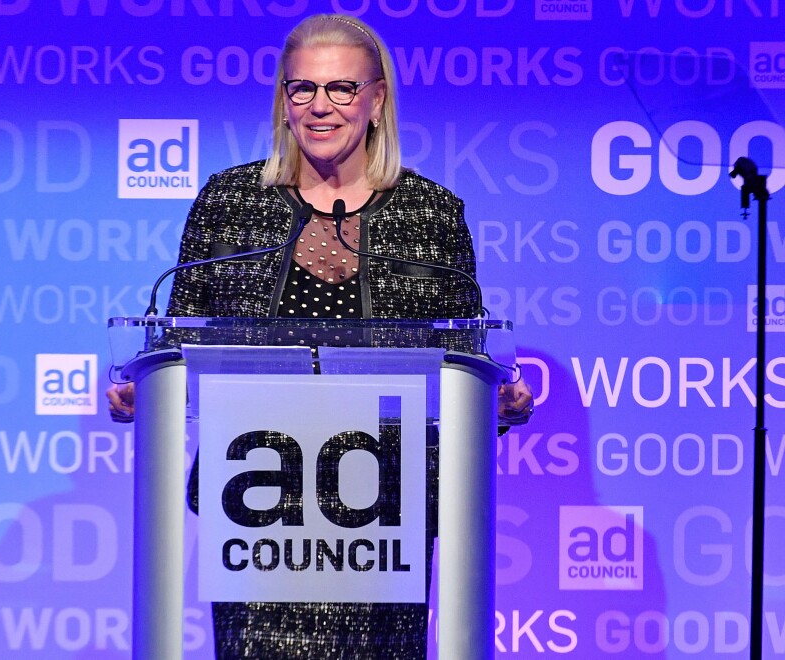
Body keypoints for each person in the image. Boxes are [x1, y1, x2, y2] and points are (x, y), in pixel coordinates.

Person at [108, 13, 533, 658]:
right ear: (283, 101)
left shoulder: (433, 214)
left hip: (385, 503)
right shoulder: (230, 201)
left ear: (377, 100)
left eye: (341, 89)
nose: (319, 107)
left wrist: (497, 404)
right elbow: (179, 338)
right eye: (302, 88)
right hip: (256, 494)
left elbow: (461, 358)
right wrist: (144, 388)